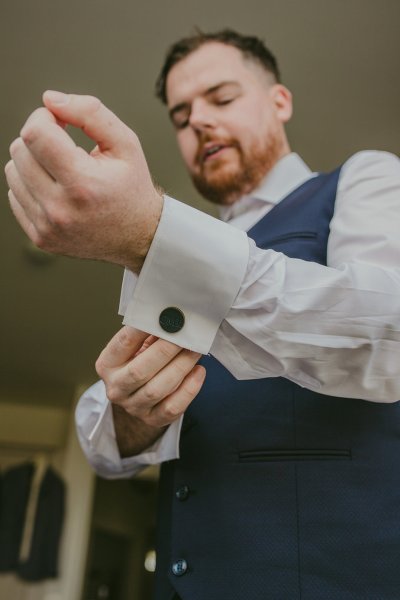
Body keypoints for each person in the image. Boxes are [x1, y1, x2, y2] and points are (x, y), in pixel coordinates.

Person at [5, 28, 400, 600]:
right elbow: (101, 436)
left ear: (279, 101)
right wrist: (135, 414)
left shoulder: (364, 178)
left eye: (221, 98)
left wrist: (152, 233)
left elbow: (386, 328)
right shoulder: (175, 250)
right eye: (182, 114)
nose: (198, 123)